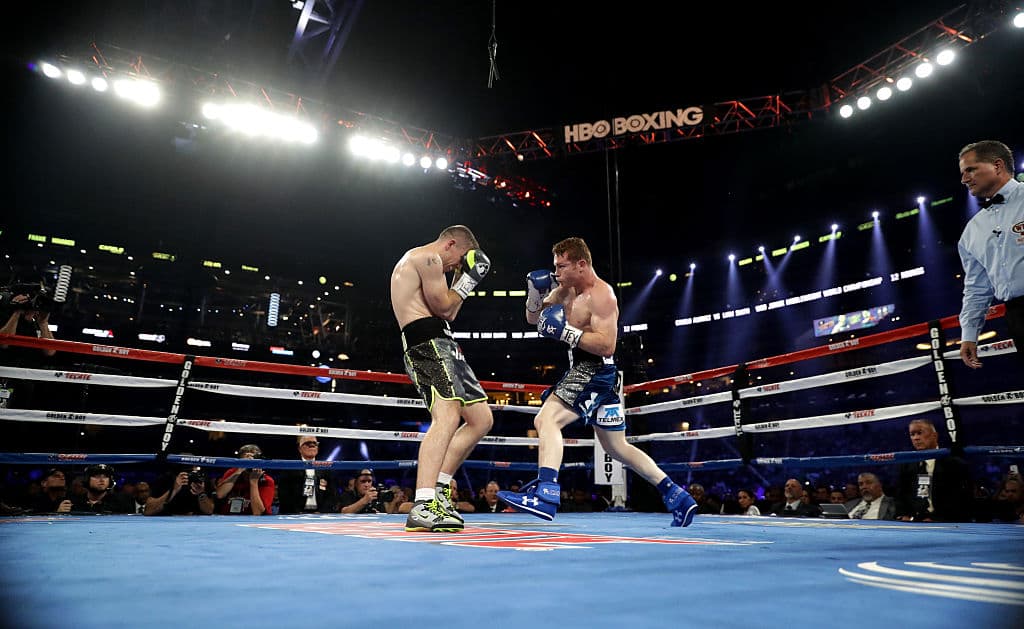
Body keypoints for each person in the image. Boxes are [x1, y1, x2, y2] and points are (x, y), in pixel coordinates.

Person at [497, 237, 698, 526]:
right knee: (618, 447)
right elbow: (534, 319)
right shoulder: (564, 289)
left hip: (595, 369)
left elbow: (607, 346)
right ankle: (678, 496)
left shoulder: (603, 295)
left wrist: (565, 332)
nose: (556, 273)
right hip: (588, 371)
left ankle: (546, 492)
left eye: (561, 266)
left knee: (546, 420)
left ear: (582, 264)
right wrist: (534, 296)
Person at [390, 225, 495, 532]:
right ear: (450, 244)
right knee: (447, 415)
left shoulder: (438, 266)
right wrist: (470, 279)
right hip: (426, 343)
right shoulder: (428, 259)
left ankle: (438, 490)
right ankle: (423, 504)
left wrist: (465, 281)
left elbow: (449, 314)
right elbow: (444, 305)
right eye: (459, 260)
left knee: (481, 419)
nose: (457, 267)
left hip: (445, 342)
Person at [956, 140, 1024, 368]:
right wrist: (969, 333)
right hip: (1017, 316)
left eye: (970, 169)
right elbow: (977, 286)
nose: (964, 179)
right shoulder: (972, 231)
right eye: (963, 172)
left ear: (997, 166)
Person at [895, 419, 973, 522]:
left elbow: (961, 498)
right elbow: (900, 494)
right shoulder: (906, 464)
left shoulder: (954, 463)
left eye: (920, 433)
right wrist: (903, 515)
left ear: (934, 436)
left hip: (946, 522)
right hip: (914, 522)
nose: (916, 438)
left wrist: (936, 518)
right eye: (912, 434)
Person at [276, 436, 340, 514]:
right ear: (300, 448)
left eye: (315, 443)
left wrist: (322, 512)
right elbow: (284, 494)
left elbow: (332, 494)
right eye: (308, 443)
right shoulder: (290, 467)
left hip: (319, 514)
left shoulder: (325, 469)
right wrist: (297, 512)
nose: (312, 445)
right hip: (294, 514)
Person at [215, 444, 275, 515]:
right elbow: (220, 494)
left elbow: (257, 512)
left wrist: (254, 482)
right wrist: (239, 470)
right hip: (229, 519)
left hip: (253, 522)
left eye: (253, 459)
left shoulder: (266, 480)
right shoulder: (233, 472)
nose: (249, 461)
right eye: (245, 458)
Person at [145, 466, 215, 516]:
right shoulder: (165, 479)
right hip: (168, 523)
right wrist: (174, 489)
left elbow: (209, 511)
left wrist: (201, 493)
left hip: (194, 524)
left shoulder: (200, 479)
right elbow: (148, 510)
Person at [339, 469, 404, 515]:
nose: (366, 485)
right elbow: (344, 512)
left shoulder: (377, 495)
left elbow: (387, 513)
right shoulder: (348, 495)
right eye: (363, 481)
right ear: (356, 483)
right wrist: (364, 500)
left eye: (369, 481)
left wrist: (393, 502)